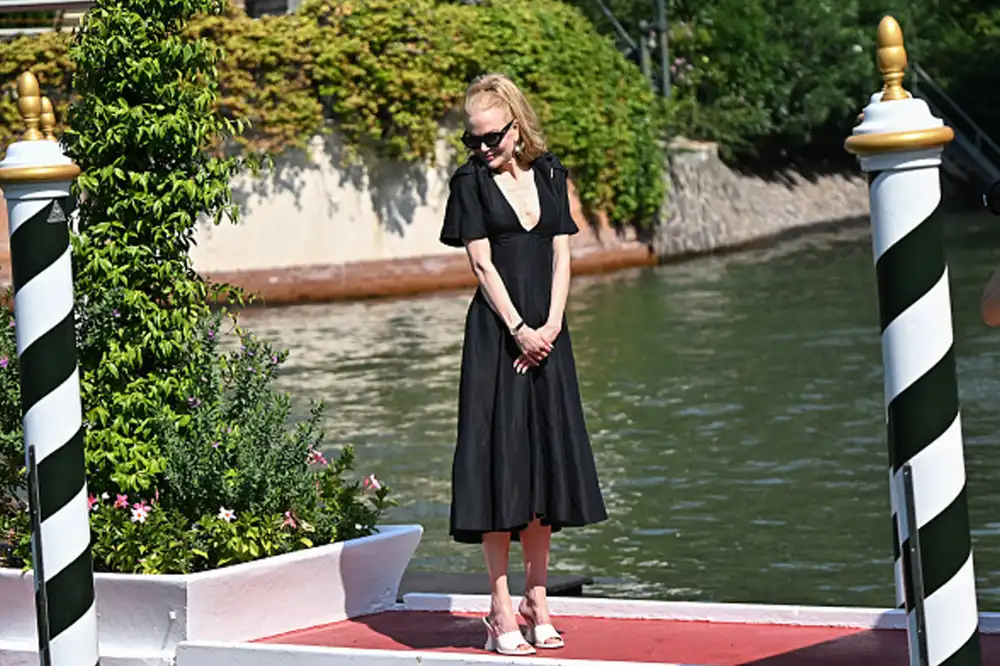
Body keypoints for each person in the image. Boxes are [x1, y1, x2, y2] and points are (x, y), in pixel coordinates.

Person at [439, 73, 608, 657]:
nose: (483, 149)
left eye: (491, 138)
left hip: (550, 335)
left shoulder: (553, 173)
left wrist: (552, 328)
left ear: (516, 125)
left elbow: (562, 252)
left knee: (544, 466)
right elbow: (482, 268)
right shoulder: (469, 183)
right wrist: (519, 330)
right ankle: (500, 607)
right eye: (473, 140)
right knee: (500, 466)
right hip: (497, 335)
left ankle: (539, 599)